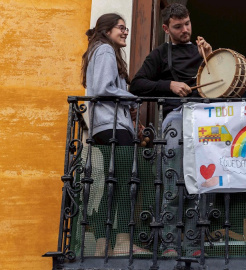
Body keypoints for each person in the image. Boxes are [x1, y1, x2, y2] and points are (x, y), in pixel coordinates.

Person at [129, 3, 212, 257]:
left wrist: (212, 58)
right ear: (166, 28)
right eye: (178, 26)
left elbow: (224, 82)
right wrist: (170, 85)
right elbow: (137, 84)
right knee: (173, 180)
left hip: (204, 119)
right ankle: (169, 243)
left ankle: (193, 243)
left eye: (187, 23)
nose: (185, 30)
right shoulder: (160, 54)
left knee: (201, 182)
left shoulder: (203, 51)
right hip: (176, 118)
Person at [81, 13, 149, 256]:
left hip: (104, 126)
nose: (126, 32)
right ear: (107, 30)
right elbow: (103, 88)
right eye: (121, 28)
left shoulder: (97, 51)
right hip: (113, 126)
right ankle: (121, 241)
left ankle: (102, 244)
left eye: (127, 28)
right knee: (127, 183)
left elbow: (104, 89)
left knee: (112, 184)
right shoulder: (106, 51)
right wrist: (135, 100)